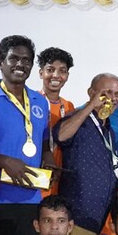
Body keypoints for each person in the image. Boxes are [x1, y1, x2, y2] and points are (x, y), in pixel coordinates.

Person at [0, 35, 52, 235]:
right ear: (0, 62)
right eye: (13, 58)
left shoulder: (40, 101)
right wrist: (4, 161)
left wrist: (48, 157)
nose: (20, 64)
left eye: (26, 60)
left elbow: (43, 140)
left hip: (32, 199)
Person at [54, 73, 118, 235]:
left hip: (101, 219)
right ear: (91, 92)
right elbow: (61, 136)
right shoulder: (78, 119)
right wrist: (90, 106)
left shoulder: (108, 129)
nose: (113, 99)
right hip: (78, 215)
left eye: (117, 94)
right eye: (106, 92)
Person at [38, 47, 75, 184]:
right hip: (37, 175)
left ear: (67, 76)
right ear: (41, 73)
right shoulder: (30, 101)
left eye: (62, 71)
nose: (56, 75)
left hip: (60, 177)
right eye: (50, 70)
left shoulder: (69, 106)